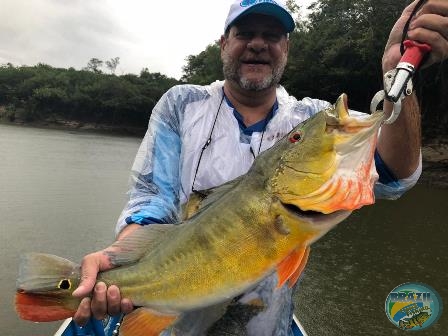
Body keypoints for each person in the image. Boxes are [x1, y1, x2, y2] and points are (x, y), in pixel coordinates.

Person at [72, 0, 448, 334]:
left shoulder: (312, 117)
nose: (258, 43)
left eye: (272, 35)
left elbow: (394, 173)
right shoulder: (182, 104)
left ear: (285, 49)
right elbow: (153, 198)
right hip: (176, 319)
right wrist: (118, 259)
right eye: (245, 32)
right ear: (224, 44)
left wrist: (397, 74)